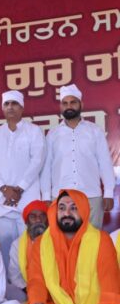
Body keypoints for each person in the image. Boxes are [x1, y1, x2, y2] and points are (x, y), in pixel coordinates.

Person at [17, 189, 120, 304]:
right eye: (62, 208)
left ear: (84, 211)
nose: (67, 213)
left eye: (74, 208)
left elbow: (110, 277)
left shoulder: (101, 239)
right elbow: (35, 280)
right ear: (55, 212)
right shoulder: (42, 244)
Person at [0, 90, 45, 271]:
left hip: (27, 199)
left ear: (22, 107)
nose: (10, 107)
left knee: (30, 245)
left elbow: (37, 161)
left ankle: (32, 282)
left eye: (14, 103)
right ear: (3, 108)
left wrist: (19, 188)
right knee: (6, 246)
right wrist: (4, 188)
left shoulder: (34, 131)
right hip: (2, 200)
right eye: (7, 104)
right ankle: (8, 285)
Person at [40, 84, 115, 229]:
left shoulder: (95, 131)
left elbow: (105, 163)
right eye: (65, 103)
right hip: (61, 198)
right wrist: (46, 196)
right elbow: (46, 168)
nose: (69, 106)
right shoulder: (53, 134)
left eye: (73, 102)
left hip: (91, 196)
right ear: (61, 107)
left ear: (81, 104)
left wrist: (109, 193)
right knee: (64, 239)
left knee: (93, 239)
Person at [8, 200, 49, 290]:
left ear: (48, 220)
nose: (38, 220)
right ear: (26, 222)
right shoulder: (17, 245)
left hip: (55, 289)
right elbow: (15, 276)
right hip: (27, 288)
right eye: (33, 217)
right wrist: (29, 290)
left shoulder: (56, 241)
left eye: (42, 216)